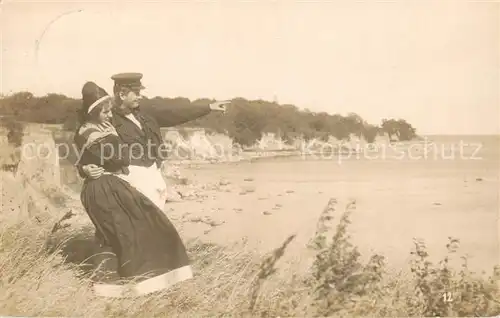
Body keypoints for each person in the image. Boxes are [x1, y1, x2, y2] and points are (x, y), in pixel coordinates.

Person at [74, 81, 193, 298]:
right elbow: (108, 155)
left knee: (135, 230)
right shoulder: (101, 127)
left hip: (120, 182)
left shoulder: (136, 118)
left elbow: (174, 115)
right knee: (129, 231)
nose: (109, 115)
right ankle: (134, 284)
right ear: (122, 93)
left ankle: (143, 281)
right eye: (105, 111)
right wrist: (84, 167)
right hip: (113, 184)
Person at [79, 72, 228, 209]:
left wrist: (208, 107)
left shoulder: (146, 113)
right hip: (129, 181)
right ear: (122, 94)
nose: (140, 96)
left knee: (154, 223)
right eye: (136, 92)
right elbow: (86, 145)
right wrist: (84, 169)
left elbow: (177, 113)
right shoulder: (107, 119)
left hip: (153, 175)